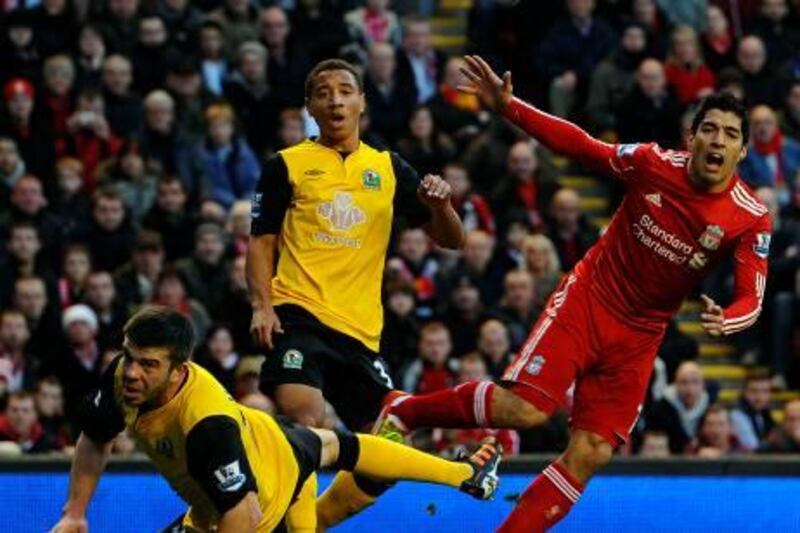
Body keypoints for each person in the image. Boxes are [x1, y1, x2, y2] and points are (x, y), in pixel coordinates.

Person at [368, 56, 771, 531]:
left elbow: (753, 296)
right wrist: (509, 107)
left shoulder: (749, 216)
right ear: (692, 137)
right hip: (591, 297)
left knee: (592, 451)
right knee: (526, 410)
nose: (717, 140)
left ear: (743, 151)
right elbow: (585, 147)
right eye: (710, 129)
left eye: (729, 134)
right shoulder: (652, 164)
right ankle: (405, 408)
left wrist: (729, 318)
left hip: (642, 333)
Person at [49, 306, 502, 533]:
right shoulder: (122, 377)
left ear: (178, 371)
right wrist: (75, 513)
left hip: (260, 500)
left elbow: (242, 518)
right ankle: (464, 474)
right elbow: (94, 438)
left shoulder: (205, 428)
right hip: (267, 438)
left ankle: (460, 474)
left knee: (326, 492)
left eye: (148, 365)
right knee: (333, 445)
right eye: (130, 358)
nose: (132, 372)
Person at [246, 58, 465, 526]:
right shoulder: (286, 165)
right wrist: (262, 305)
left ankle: (310, 521)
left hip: (362, 333)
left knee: (387, 452)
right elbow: (261, 242)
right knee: (305, 421)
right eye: (323, 92)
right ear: (310, 106)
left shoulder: (387, 169)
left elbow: (452, 240)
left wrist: (441, 206)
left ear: (362, 101)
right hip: (298, 315)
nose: (335, 100)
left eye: (345, 90)